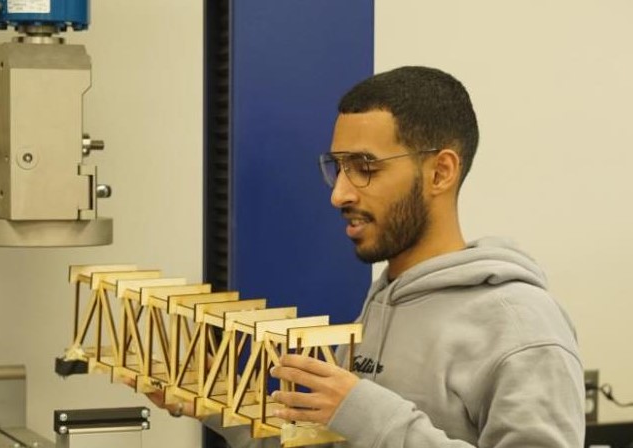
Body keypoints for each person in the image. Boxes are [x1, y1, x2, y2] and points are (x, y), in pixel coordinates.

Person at [148, 66, 585, 447]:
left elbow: (371, 425)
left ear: (440, 172)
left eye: (365, 167)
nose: (339, 193)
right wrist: (222, 400)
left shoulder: (521, 328)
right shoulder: (385, 300)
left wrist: (367, 413)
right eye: (338, 167)